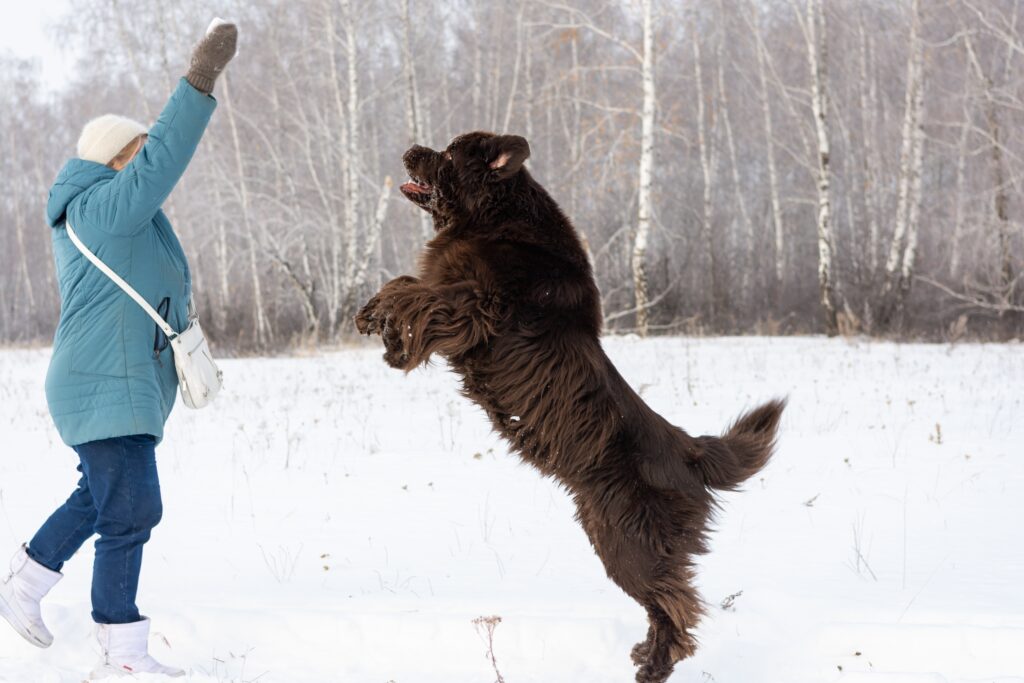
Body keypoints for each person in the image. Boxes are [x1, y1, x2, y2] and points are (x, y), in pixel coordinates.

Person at [0, 20, 238, 680]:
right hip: (98, 383)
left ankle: (25, 580)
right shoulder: (101, 209)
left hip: (115, 384)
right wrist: (198, 82)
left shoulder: (128, 218)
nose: (145, 164)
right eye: (137, 153)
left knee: (104, 498)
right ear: (113, 158)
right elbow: (165, 157)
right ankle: (121, 650)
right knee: (132, 508)